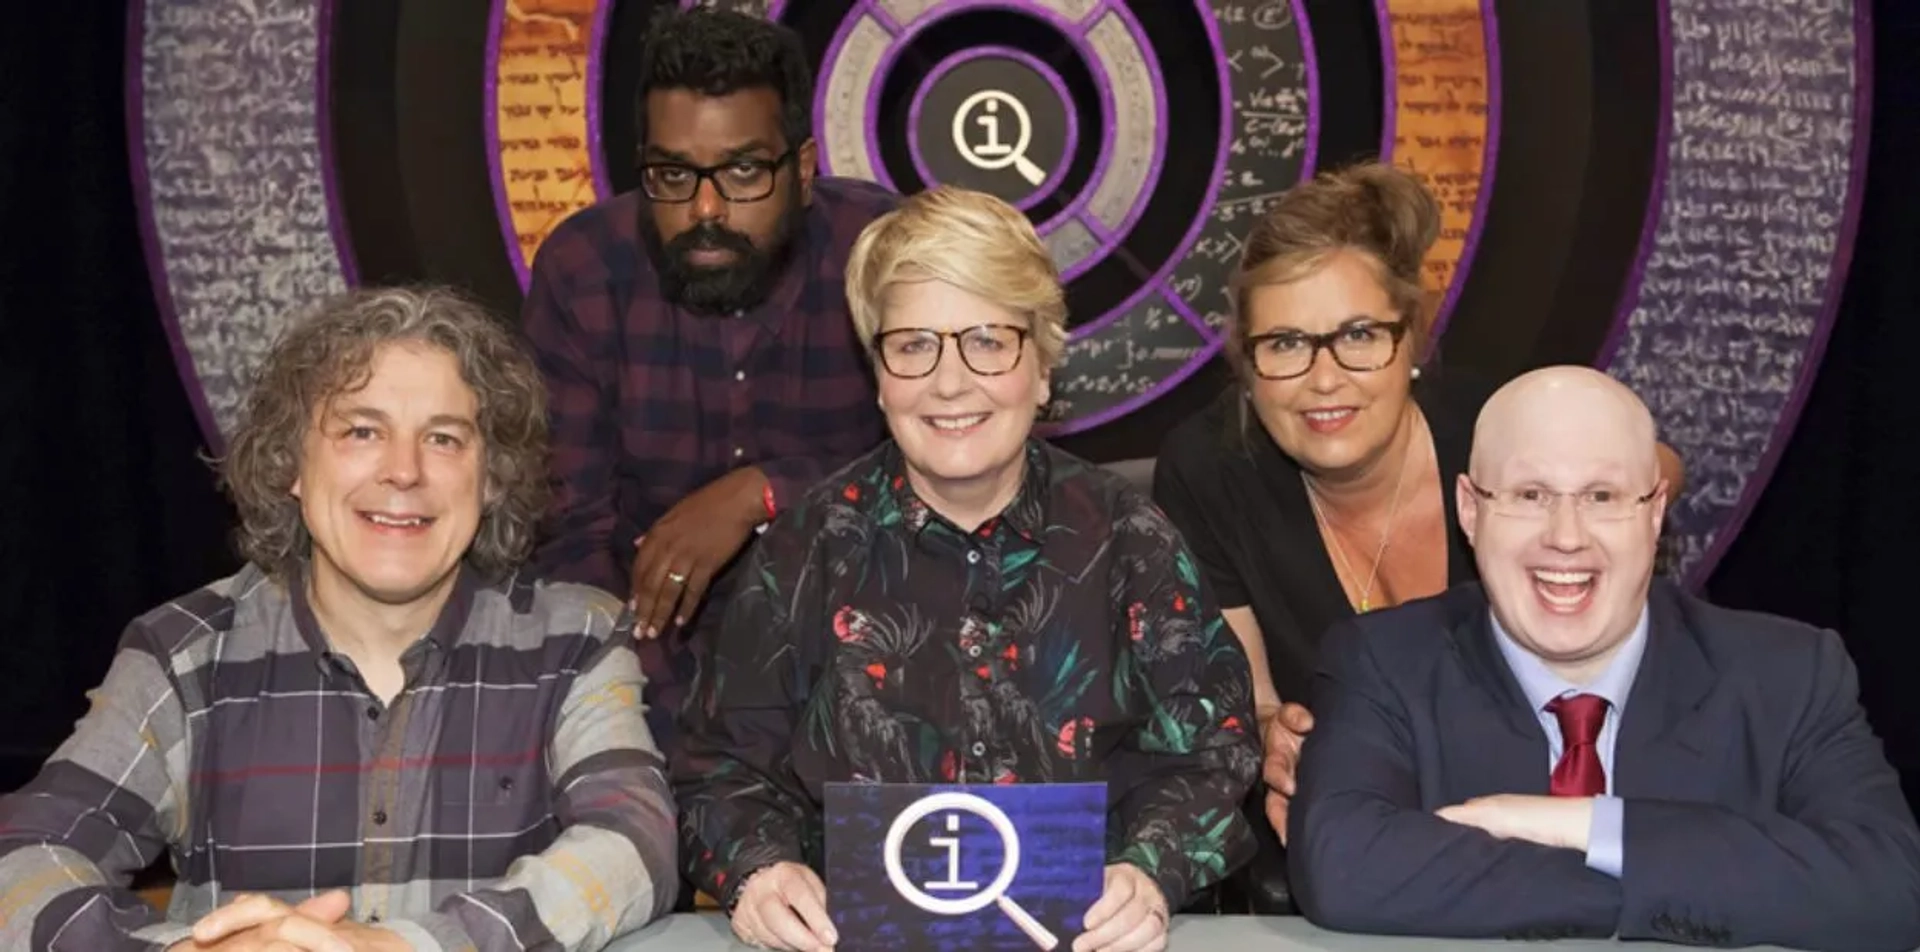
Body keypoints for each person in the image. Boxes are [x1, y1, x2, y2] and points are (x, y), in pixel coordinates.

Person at [673, 187, 1261, 952]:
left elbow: (1214, 752)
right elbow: (717, 763)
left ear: (1043, 367)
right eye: (914, 344)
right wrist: (761, 872)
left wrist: (1150, 873)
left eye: (988, 340)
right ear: (878, 374)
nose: (949, 382)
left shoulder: (1131, 540)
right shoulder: (804, 549)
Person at [0, 288, 677, 952]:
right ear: (291, 461)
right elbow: (23, 853)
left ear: (492, 477)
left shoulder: (576, 640)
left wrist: (409, 948)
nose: (403, 472)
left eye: (443, 439)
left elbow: (634, 842)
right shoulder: (183, 655)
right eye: (362, 430)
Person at [1150, 163, 1685, 903]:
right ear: (1246, 363)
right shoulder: (1209, 469)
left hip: (1543, 825)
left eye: (1360, 335)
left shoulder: (1495, 428)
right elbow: (1252, 699)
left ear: (1413, 341)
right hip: (1349, 848)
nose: (1324, 378)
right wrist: (1274, 735)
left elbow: (1652, 467)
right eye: (1284, 344)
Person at [1287, 366, 1920, 949]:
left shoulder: (1788, 674)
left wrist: (1588, 826)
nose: (1566, 537)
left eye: (1602, 497)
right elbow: (1341, 865)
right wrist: (1648, 881)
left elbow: (1894, 884)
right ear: (1471, 511)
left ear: (1655, 516)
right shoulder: (1381, 662)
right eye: (1531, 495)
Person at [523, 7, 898, 746]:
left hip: (873, 672)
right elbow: (566, 541)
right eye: (672, 173)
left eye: (743, 172)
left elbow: (958, 476)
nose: (704, 209)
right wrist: (679, 728)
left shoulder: (881, 254)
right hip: (647, 689)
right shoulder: (583, 270)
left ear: (804, 170)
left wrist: (767, 491)